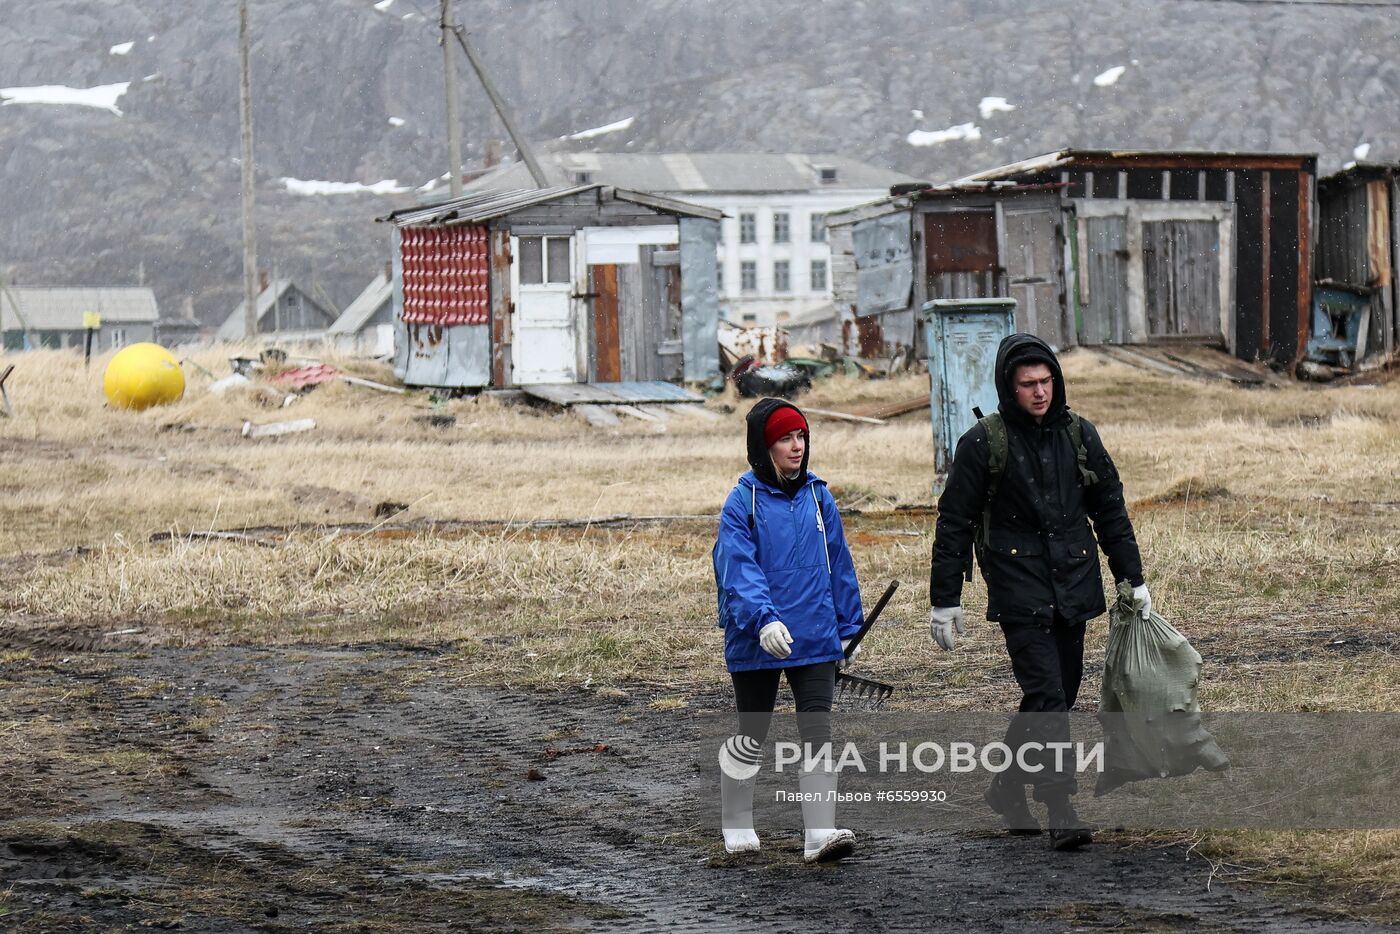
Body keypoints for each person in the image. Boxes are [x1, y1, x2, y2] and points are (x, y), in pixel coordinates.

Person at [927, 333, 1149, 851]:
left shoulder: (1079, 435)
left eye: (1046, 381)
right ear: (1010, 386)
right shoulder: (984, 443)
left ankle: (1006, 786)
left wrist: (1133, 580)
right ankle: (1061, 804)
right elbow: (954, 521)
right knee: (1048, 697)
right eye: (1028, 383)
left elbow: (1110, 510)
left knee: (1056, 696)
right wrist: (945, 599)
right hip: (1018, 585)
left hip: (1073, 580)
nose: (1040, 392)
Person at [712, 398, 866, 862]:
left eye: (801, 437)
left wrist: (848, 626)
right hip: (758, 636)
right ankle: (736, 823)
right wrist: (763, 620)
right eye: (785, 438)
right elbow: (737, 570)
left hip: (816, 633)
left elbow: (838, 563)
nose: (796, 447)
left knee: (818, 731)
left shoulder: (820, 496)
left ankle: (819, 833)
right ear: (764, 446)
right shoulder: (742, 502)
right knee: (752, 731)